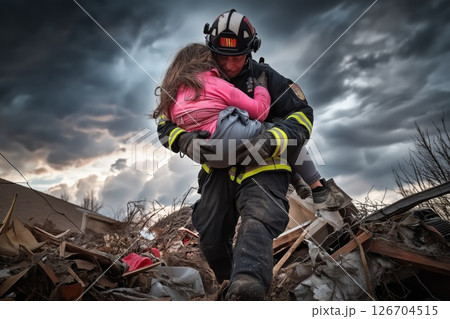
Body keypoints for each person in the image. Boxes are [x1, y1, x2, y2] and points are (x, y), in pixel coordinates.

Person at [155, 9, 340, 300]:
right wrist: (184, 141)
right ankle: (230, 287)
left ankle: (249, 289)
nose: (229, 64)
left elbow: (302, 115)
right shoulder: (197, 79)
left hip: (264, 166)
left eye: (237, 57)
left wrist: (273, 139)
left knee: (258, 220)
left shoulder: (267, 79)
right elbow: (165, 121)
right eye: (221, 56)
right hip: (218, 169)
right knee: (212, 236)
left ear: (251, 50)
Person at [153, 43, 343, 210]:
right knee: (281, 132)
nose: (227, 66)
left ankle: (296, 179)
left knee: (213, 230)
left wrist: (182, 139)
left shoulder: (169, 98)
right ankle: (318, 188)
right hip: (237, 143)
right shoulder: (215, 83)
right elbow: (260, 111)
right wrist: (261, 87)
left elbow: (163, 125)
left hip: (211, 157)